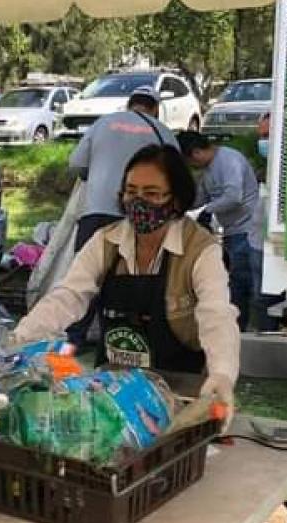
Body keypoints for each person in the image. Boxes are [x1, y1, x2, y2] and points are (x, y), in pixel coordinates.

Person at [14, 144, 240, 404]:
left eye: (152, 193)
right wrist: (20, 338)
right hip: (112, 390)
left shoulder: (200, 249)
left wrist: (222, 375)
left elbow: (217, 314)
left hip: (178, 391)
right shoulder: (106, 241)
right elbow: (68, 296)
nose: (138, 201)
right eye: (131, 192)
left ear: (176, 199)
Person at [67, 86, 179, 344]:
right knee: (127, 284)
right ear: (155, 108)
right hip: (138, 222)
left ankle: (71, 343)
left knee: (84, 280)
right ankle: (120, 342)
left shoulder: (102, 123)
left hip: (94, 214)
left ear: (130, 104)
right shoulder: (161, 131)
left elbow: (77, 164)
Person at [178, 131, 262, 331]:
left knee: (245, 285)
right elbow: (202, 198)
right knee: (235, 286)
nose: (193, 167)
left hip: (247, 230)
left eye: (191, 162)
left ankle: (250, 330)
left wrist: (207, 211)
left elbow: (234, 196)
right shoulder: (208, 170)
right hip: (232, 232)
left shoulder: (229, 160)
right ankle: (236, 329)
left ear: (196, 153)